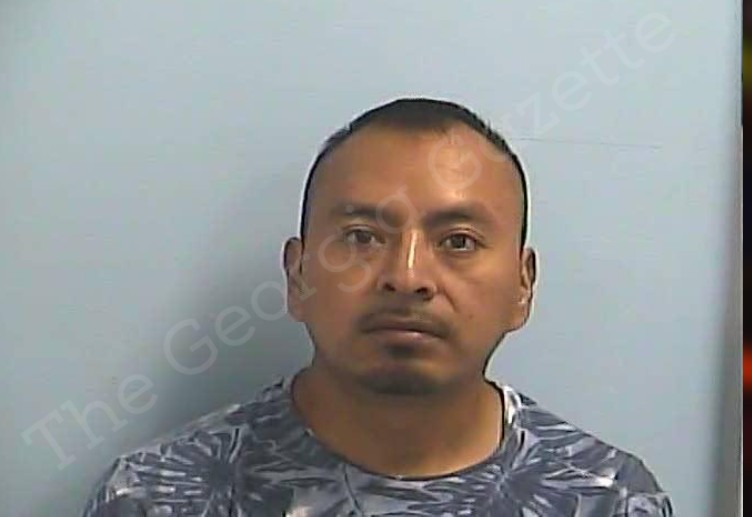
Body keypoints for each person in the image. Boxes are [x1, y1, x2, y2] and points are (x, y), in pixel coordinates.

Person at [83, 98, 674, 516]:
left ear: (523, 287)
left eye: (458, 242)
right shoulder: (158, 496)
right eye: (363, 237)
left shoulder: (607, 498)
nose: (407, 276)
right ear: (298, 275)